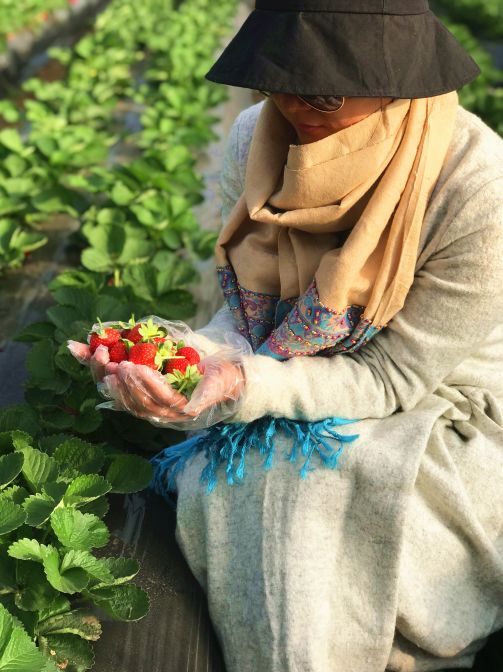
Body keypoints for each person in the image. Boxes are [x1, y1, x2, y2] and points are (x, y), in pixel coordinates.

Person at [95, 1, 503, 670]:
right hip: (288, 366)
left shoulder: (476, 187)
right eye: (279, 77)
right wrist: (187, 359)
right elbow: (245, 320)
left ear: (398, 78)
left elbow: (391, 376)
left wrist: (244, 383)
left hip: (440, 404)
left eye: (326, 92)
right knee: (227, 479)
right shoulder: (256, 138)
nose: (294, 104)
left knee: (298, 488)